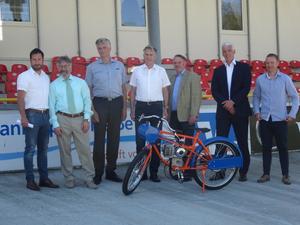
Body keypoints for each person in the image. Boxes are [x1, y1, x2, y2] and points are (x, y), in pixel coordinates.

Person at [49, 56, 97, 189]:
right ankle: (69, 178)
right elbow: (51, 106)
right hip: (62, 119)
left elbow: (87, 101)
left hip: (80, 119)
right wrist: (55, 124)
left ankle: (89, 178)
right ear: (58, 68)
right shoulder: (53, 85)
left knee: (85, 150)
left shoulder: (81, 83)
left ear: (71, 66)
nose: (64, 69)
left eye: (66, 66)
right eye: (61, 66)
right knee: (65, 151)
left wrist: (86, 118)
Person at [86, 38, 127, 185]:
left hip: (116, 103)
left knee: (114, 139)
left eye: (104, 47)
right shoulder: (91, 67)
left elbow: (124, 87)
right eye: (99, 48)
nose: (102, 50)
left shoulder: (119, 65)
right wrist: (92, 110)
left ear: (110, 48)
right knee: (98, 140)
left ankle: (111, 171)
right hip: (100, 104)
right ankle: (98, 172)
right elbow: (88, 90)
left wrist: (124, 107)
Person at [253, 53, 299, 185]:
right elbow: (256, 97)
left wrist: (292, 114)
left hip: (281, 120)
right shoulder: (260, 79)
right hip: (265, 120)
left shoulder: (285, 79)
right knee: (266, 148)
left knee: (283, 148)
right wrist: (257, 111)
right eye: (267, 63)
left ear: (278, 63)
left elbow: (295, 97)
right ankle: (265, 174)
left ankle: (285, 175)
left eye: (272, 62)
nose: (269, 65)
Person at [17, 48, 59, 191]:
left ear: (42, 60)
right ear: (30, 60)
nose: (37, 62)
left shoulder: (45, 77)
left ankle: (44, 179)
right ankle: (30, 180)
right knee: (30, 149)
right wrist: (23, 117)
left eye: (39, 59)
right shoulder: (24, 76)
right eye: (34, 59)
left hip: (45, 116)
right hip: (32, 115)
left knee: (43, 150)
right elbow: (20, 99)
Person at [211, 42, 252, 182]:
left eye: (229, 50)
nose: (227, 53)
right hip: (223, 112)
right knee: (221, 142)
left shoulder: (244, 68)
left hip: (239, 110)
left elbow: (246, 88)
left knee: (242, 142)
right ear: (222, 53)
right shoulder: (218, 70)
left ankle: (243, 171)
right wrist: (227, 104)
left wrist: (233, 102)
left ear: (234, 51)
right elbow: (214, 91)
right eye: (225, 51)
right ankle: (219, 171)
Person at [130, 45, 170, 182]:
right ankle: (142, 172)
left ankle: (154, 173)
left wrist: (165, 107)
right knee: (140, 141)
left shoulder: (161, 71)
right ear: (143, 55)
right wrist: (133, 109)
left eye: (151, 54)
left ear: (155, 56)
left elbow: (165, 91)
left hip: (156, 107)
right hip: (141, 107)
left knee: (155, 141)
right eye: (146, 54)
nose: (148, 57)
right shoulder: (137, 71)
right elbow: (133, 92)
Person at [168, 54, 202, 181]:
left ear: (185, 63)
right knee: (177, 145)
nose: (177, 64)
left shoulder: (192, 76)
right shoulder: (172, 78)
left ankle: (188, 172)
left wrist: (194, 114)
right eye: (175, 62)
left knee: (188, 145)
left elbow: (196, 97)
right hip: (174, 116)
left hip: (187, 116)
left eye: (179, 62)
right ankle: (178, 170)